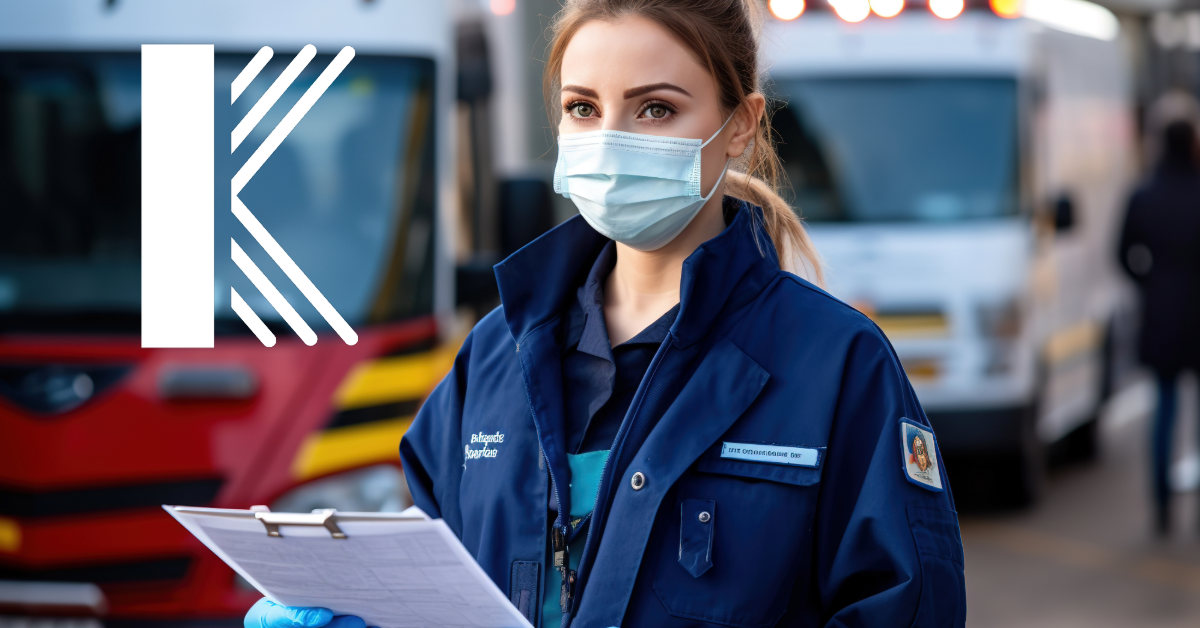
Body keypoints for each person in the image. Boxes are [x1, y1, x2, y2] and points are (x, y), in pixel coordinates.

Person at [245, 1, 966, 626]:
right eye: (583, 108)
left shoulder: (839, 367)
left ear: (740, 125)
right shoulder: (492, 357)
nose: (610, 141)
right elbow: (431, 585)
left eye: (655, 108)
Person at [1118, 120, 1200, 537]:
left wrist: (1149, 284)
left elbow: (1122, 252)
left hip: (1161, 314)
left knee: (1163, 411)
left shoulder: (1144, 195)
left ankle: (1162, 507)